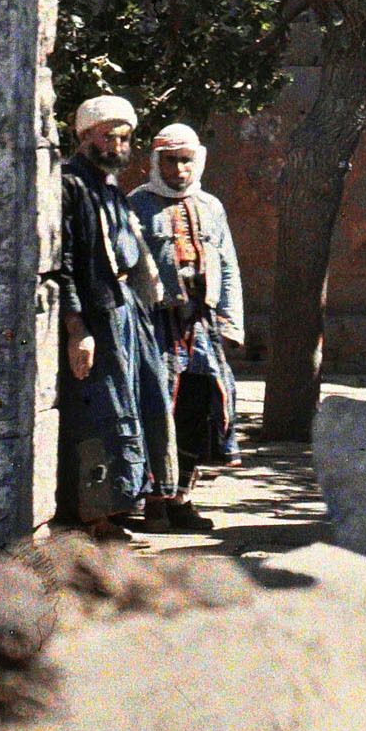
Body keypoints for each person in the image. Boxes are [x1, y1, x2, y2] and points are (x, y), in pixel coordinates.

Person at [57, 94, 176, 538]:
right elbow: (66, 262)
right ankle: (95, 518)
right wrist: (77, 329)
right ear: (85, 135)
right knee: (103, 413)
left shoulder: (109, 187)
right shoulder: (71, 185)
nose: (117, 145)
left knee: (140, 404)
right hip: (99, 316)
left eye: (124, 138)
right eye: (109, 136)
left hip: (126, 309)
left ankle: (124, 506)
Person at [130, 122, 246, 535]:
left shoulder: (211, 206)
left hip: (202, 325)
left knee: (199, 409)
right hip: (156, 325)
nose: (179, 170)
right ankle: (153, 502)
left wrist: (231, 322)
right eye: (171, 161)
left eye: (186, 160)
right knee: (157, 407)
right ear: (155, 162)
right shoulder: (137, 205)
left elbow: (227, 265)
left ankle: (182, 499)